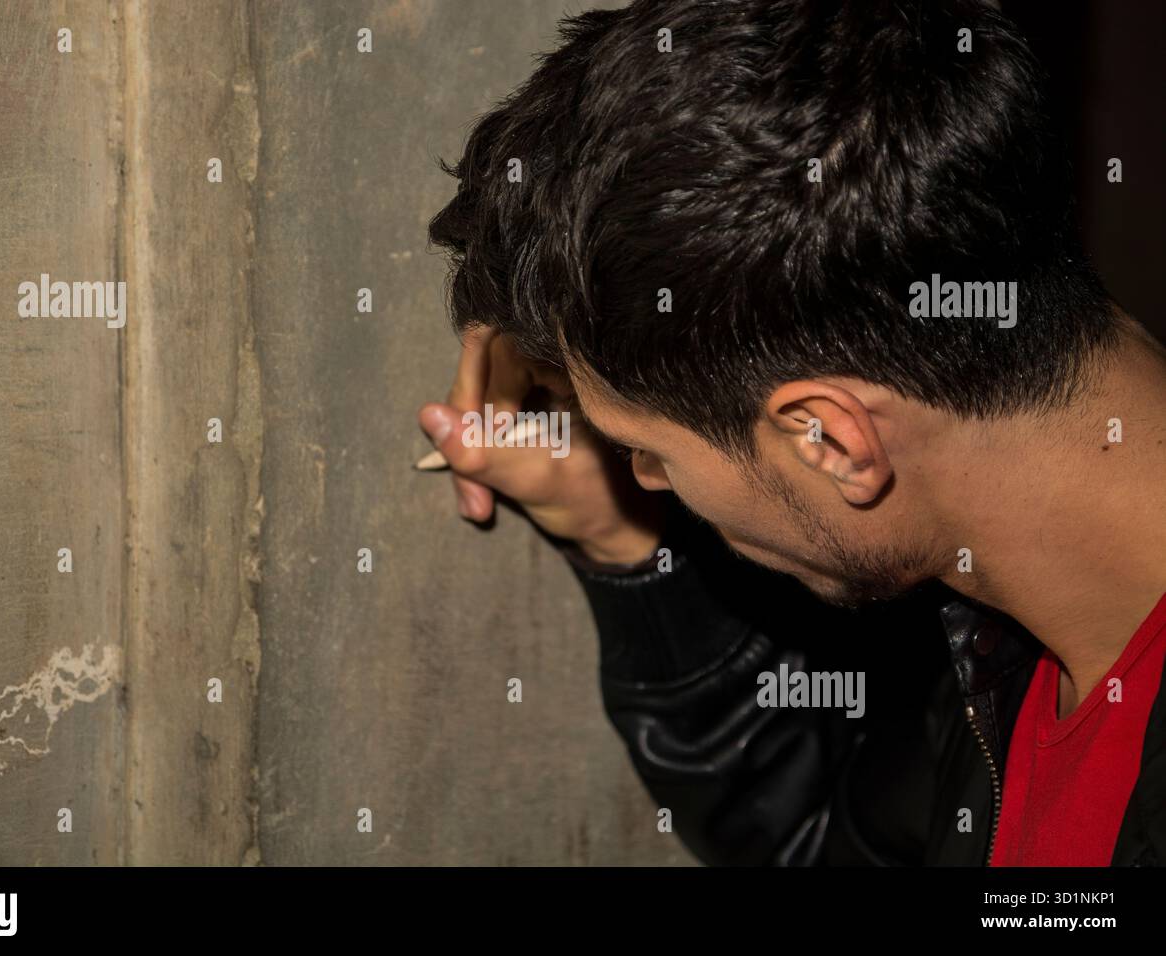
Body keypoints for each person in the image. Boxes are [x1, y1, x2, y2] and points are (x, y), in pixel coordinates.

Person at [417, 0, 1166, 865]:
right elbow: (840, 843)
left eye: (649, 454)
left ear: (833, 440)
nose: (646, 478)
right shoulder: (1011, 636)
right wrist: (620, 534)